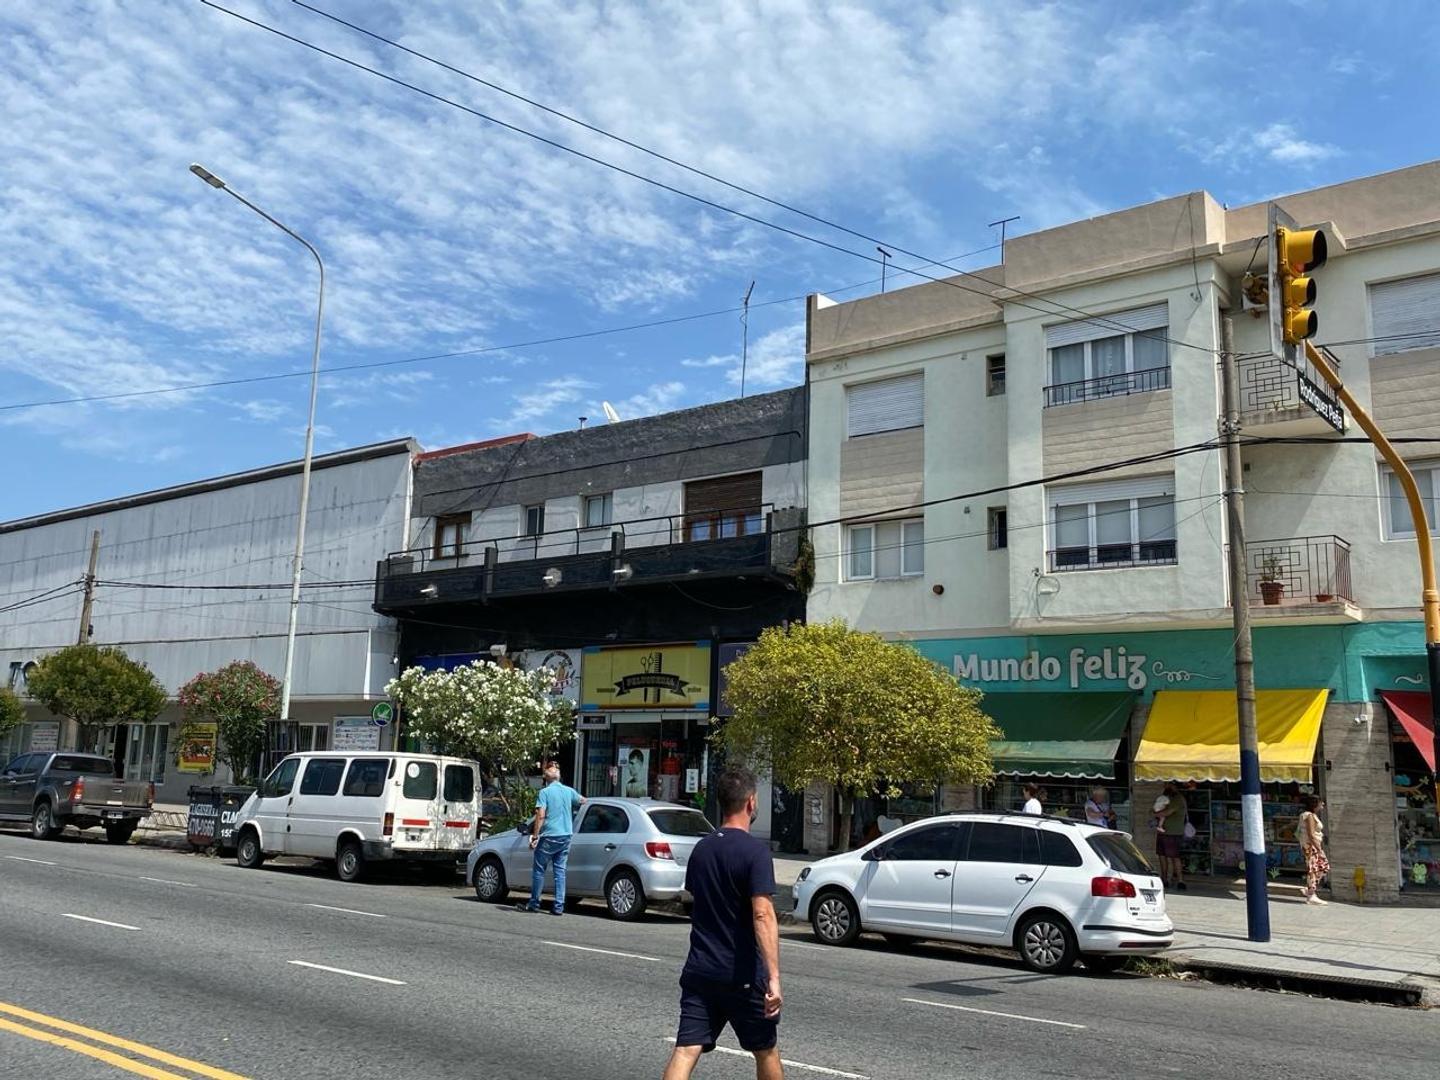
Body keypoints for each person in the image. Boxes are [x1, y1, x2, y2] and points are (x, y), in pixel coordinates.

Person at [662, 768, 782, 1080]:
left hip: (700, 970)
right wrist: (774, 978)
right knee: (765, 1049)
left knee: (686, 1049)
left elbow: (695, 901)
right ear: (752, 803)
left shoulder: (702, 849)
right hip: (741, 975)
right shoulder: (755, 852)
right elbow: (763, 915)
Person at [516, 765, 583, 916]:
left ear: (545, 780)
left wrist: (535, 835)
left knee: (539, 870)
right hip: (566, 835)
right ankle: (558, 906)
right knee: (560, 871)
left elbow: (540, 815)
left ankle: (534, 903)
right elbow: (582, 800)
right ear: (558, 777)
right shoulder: (568, 791)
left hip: (549, 836)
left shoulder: (544, 793)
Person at [1155, 783, 1188, 891]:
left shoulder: (1177, 799)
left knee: (1174, 857)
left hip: (1173, 832)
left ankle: (1180, 880)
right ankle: (1164, 879)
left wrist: (1157, 813)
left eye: (1167, 785)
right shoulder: (1167, 798)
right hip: (1164, 832)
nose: (1165, 787)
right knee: (1162, 856)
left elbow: (1167, 812)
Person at [1297, 794, 1329, 906]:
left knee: (1321, 868)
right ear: (1315, 804)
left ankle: (1310, 889)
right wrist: (1318, 848)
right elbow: (1311, 834)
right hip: (1311, 846)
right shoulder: (1309, 816)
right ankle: (1311, 894)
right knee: (1315, 868)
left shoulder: (1309, 815)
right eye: (1321, 802)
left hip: (1311, 846)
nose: (1323, 804)